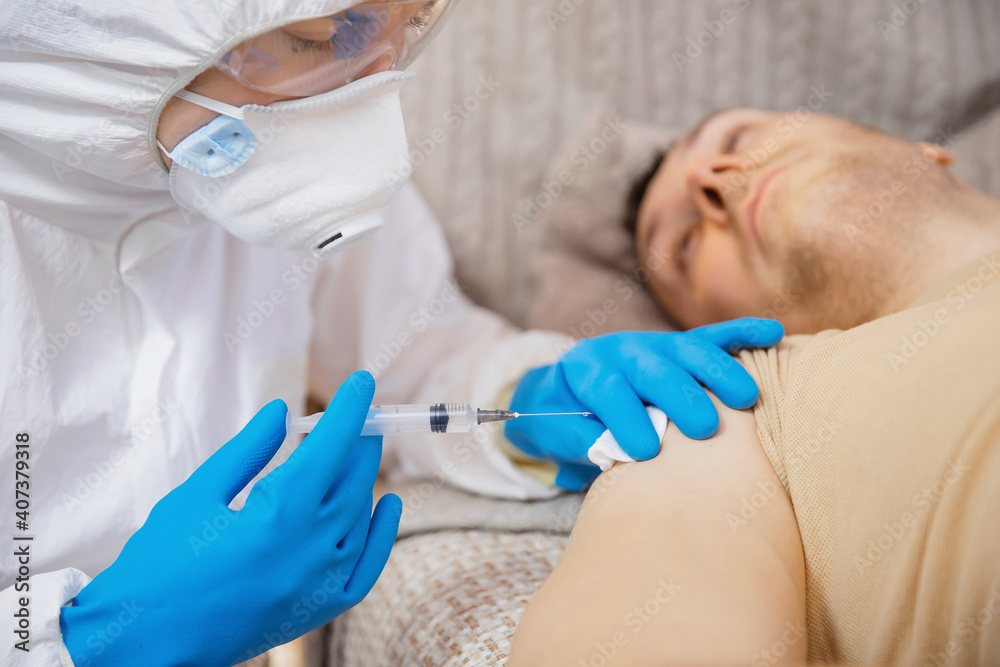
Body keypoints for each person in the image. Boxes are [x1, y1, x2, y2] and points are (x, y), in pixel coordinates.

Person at [0, 3, 781, 665]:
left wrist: (535, 399)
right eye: (327, 35)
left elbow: (418, 354)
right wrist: (91, 642)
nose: (375, 103)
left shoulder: (272, 161)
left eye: (407, 31)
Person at [509, 109, 1000, 665]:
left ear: (924, 150)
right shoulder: (724, 417)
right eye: (686, 245)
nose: (710, 179)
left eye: (738, 136)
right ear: (693, 322)